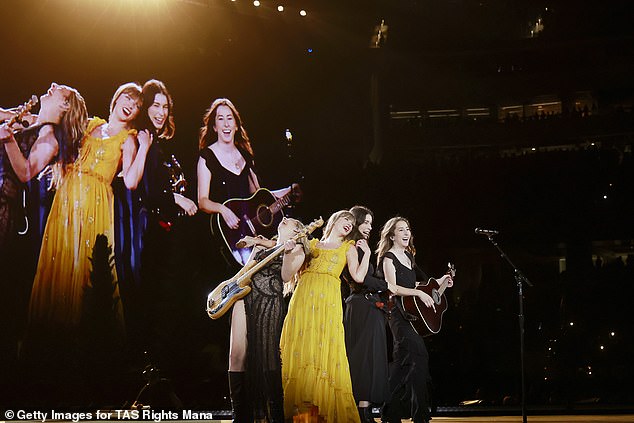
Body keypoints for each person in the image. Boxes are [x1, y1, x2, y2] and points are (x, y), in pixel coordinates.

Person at [26, 82, 152, 333]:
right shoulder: (92, 124)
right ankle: (48, 333)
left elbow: (130, 181)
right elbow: (64, 132)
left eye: (137, 105)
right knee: (59, 256)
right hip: (67, 197)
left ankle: (76, 334)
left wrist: (144, 149)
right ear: (116, 98)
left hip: (95, 205)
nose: (131, 106)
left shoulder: (128, 140)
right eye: (128, 98)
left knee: (83, 264)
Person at [0, 83, 88, 381]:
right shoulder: (30, 120)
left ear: (64, 107)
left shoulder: (48, 138)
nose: (51, 86)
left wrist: (9, 140)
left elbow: (25, 172)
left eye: (59, 90)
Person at [112, 80, 197, 368]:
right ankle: (144, 368)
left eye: (165, 107)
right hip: (144, 230)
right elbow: (140, 188)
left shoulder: (156, 141)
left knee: (162, 303)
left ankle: (155, 365)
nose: (161, 112)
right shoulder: (141, 138)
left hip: (160, 230)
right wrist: (176, 198)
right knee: (149, 302)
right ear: (145, 107)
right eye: (155, 106)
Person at [280, 209, 370, 422]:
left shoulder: (348, 248)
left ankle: (321, 411)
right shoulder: (311, 244)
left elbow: (358, 276)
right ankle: (299, 412)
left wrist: (366, 254)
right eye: (345, 218)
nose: (349, 223)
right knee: (301, 349)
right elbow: (286, 273)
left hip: (327, 304)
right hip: (303, 301)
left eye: (351, 221)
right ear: (334, 220)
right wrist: (286, 251)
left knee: (323, 350)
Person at [226, 217, 309, 423]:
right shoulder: (264, 247)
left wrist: (288, 253)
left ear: (297, 229)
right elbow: (243, 274)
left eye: (290, 220)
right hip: (244, 298)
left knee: (267, 357)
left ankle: (275, 413)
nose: (284, 218)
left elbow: (285, 276)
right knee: (235, 355)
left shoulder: (297, 250)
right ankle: (240, 415)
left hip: (268, 303)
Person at [196, 98, 296, 267]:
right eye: (221, 119)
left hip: (253, 235)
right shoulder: (207, 157)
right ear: (214, 126)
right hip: (227, 236)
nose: (226, 124)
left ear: (236, 124)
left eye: (230, 118)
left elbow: (260, 195)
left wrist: (289, 191)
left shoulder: (245, 155)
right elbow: (202, 201)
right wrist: (222, 209)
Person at [377, 217, 453, 423]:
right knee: (418, 357)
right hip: (397, 314)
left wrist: (444, 280)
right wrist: (418, 294)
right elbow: (392, 287)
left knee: (406, 364)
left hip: (412, 317)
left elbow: (425, 284)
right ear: (391, 235)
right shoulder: (388, 258)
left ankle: (393, 412)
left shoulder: (409, 257)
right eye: (400, 230)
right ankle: (416, 414)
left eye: (408, 229)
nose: (406, 233)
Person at [343, 206, 389, 422]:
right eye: (367, 222)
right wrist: (384, 283)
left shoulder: (361, 246)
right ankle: (361, 412)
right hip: (361, 306)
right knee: (361, 359)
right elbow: (360, 280)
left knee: (371, 359)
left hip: (369, 307)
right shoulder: (353, 247)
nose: (370, 227)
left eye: (371, 223)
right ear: (356, 221)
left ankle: (365, 409)